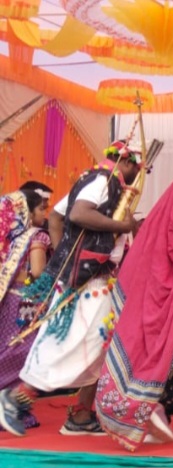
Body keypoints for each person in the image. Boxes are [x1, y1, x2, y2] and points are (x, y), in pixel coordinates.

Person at [0, 141, 141, 437]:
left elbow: (56, 216)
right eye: (139, 167)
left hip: (94, 281)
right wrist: (121, 227)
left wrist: (64, 257)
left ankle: (81, 415)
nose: (139, 174)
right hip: (88, 283)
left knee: (100, 347)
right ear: (126, 162)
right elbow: (77, 214)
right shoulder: (102, 180)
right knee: (67, 346)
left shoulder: (94, 179)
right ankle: (14, 398)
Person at [95, 169, 173, 451]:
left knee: (158, 360)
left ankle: (149, 413)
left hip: (153, 305)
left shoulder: (157, 221)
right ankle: (157, 408)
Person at [0, 186, 51, 430]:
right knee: (23, 353)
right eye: (41, 209)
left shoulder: (9, 238)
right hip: (26, 303)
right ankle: (8, 405)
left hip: (7, 299)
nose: (44, 214)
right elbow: (38, 271)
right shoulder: (37, 236)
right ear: (28, 213)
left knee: (6, 348)